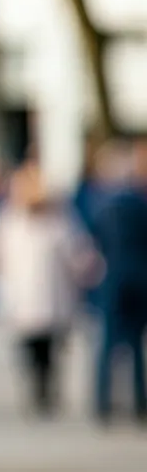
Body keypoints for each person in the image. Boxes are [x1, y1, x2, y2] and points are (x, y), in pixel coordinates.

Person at [0, 163, 101, 417]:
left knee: (36, 347)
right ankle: (44, 391)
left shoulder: (14, 218)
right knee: (47, 347)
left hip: (32, 295)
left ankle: (40, 391)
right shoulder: (55, 217)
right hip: (45, 295)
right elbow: (78, 252)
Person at [92, 140, 147, 426]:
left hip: (113, 278)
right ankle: (139, 403)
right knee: (136, 345)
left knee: (106, 344)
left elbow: (92, 244)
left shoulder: (101, 204)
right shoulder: (140, 203)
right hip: (139, 277)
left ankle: (102, 402)